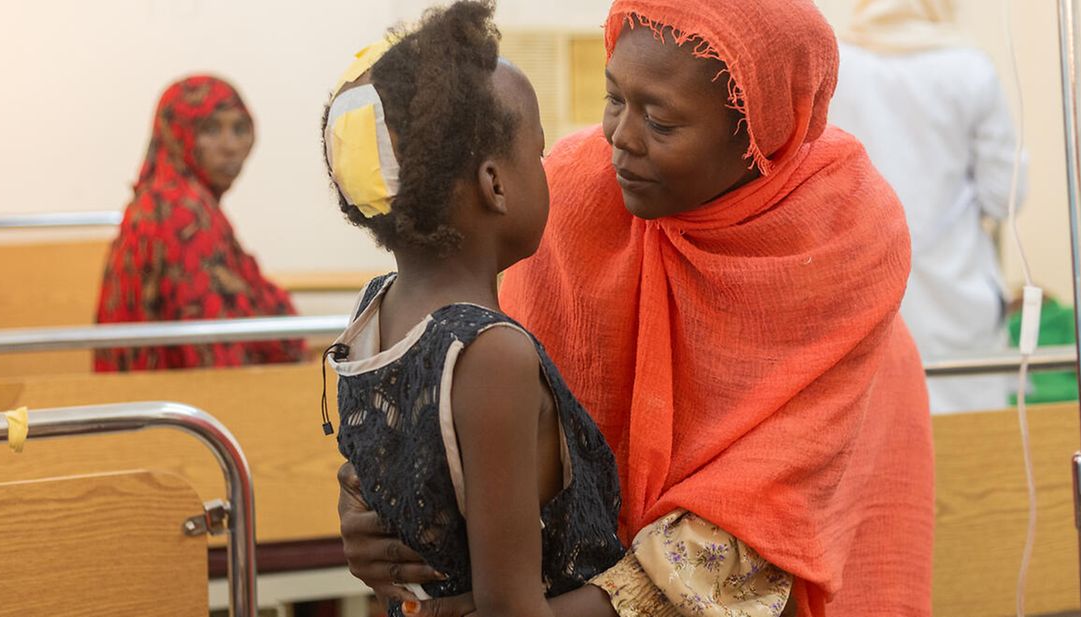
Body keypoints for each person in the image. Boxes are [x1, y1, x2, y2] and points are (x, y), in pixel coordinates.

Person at [339, 0, 935, 615]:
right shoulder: (575, 192)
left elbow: (756, 522)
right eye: (615, 98)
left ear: (756, 128)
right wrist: (381, 511)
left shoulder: (841, 240)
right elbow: (472, 416)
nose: (619, 139)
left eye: (662, 121)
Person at [321, 3, 623, 617]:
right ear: (496, 184)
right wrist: (644, 595)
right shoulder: (491, 352)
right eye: (537, 155)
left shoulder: (375, 310)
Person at [828, 0, 1027, 413]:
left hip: (856, 277)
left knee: (877, 427)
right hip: (953, 287)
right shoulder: (969, 69)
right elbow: (1004, 194)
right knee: (968, 436)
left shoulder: (838, 65)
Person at [95, 75, 302, 371]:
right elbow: (216, 357)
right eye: (210, 129)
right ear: (176, 134)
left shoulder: (174, 200)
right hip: (171, 406)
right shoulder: (179, 212)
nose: (230, 146)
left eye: (240, 129)